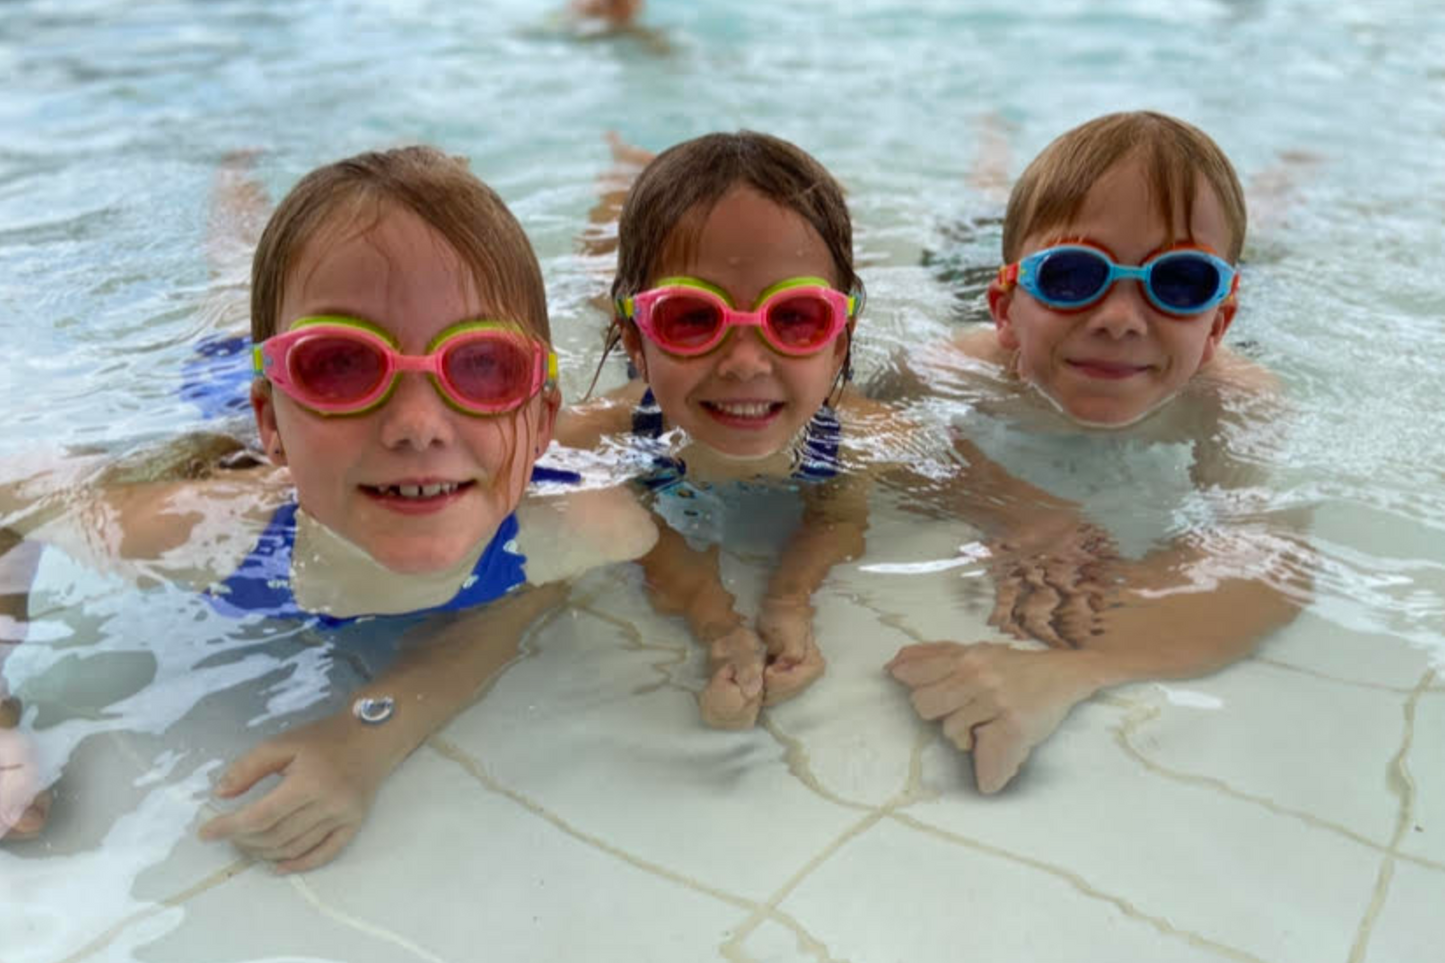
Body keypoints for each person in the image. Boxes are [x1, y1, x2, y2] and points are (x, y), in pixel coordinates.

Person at [0, 145, 657, 871]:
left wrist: (369, 729)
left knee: (592, 298)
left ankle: (617, 187)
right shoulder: (198, 532)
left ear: (540, 420)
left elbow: (528, 588)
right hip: (227, 379)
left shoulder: (591, 521)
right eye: (340, 361)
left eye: (482, 364)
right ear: (272, 421)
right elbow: (18, 491)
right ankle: (232, 166)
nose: (417, 424)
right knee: (235, 279)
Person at [560, 130, 1103, 732]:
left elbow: (839, 519)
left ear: (840, 339)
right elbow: (632, 529)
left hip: (699, 367)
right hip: (657, 376)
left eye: (795, 318)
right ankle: (617, 185)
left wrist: (790, 601)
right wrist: (714, 621)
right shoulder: (608, 432)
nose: (745, 363)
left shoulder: (861, 435)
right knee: (597, 274)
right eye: (691, 316)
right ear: (635, 337)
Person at [886, 111, 1312, 793]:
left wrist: (1075, 668)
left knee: (1267, 234)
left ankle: (1283, 181)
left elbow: (1260, 554)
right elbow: (876, 435)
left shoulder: (1236, 400)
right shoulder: (959, 364)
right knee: (977, 212)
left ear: (1217, 327)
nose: (1118, 316)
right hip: (975, 265)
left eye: (1179, 284)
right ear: (1003, 311)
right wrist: (1019, 509)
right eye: (1070, 275)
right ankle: (987, 141)